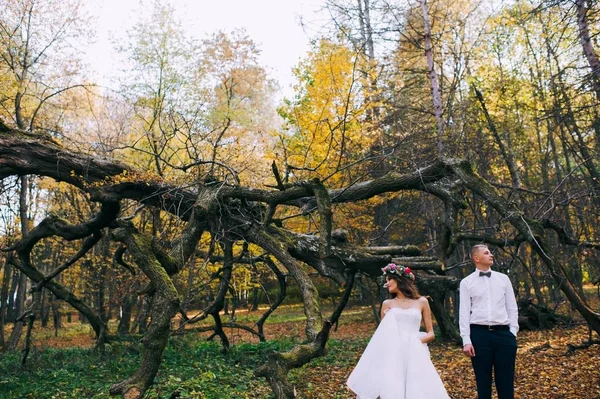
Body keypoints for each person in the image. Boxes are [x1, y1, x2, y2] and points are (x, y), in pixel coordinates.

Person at [347, 263, 450, 399]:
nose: (387, 283)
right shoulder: (387, 304)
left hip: (415, 352)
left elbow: (431, 333)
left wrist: (414, 342)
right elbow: (382, 336)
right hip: (394, 354)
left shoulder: (422, 301)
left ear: (400, 279)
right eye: (386, 281)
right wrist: (389, 318)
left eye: (390, 279)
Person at [459, 244, 519, 399]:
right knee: (483, 382)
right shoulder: (466, 282)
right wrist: (466, 340)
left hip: (504, 334)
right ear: (476, 258)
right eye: (486, 253)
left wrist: (512, 332)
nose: (491, 255)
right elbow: (464, 312)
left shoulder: (503, 279)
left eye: (491, 252)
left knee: (506, 382)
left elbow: (512, 307)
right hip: (479, 335)